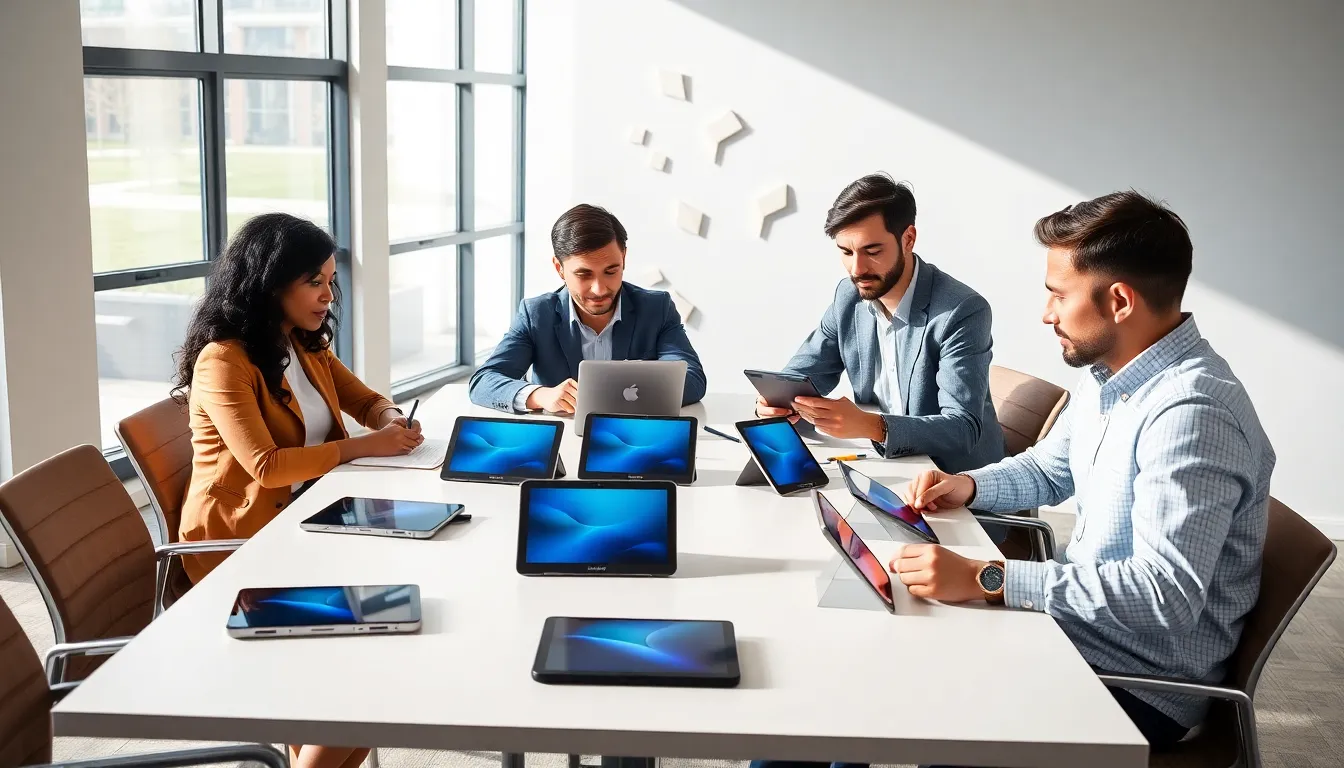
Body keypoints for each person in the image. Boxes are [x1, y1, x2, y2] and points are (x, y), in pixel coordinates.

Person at [892, 191, 1275, 755]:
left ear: (1119, 300)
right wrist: (969, 486)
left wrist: (987, 579)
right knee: (883, 660)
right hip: (1077, 634)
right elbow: (1051, 468)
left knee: (924, 703)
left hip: (1137, 685)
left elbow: (1164, 597)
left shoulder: (1191, 414)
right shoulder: (1110, 375)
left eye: (1057, 294)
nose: (1047, 314)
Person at [174, 213, 422, 768]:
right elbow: (267, 467)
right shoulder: (224, 360)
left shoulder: (303, 343)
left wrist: (388, 415)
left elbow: (362, 399)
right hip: (241, 546)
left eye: (331, 280)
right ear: (270, 281)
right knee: (363, 673)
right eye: (315, 281)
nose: (327, 294)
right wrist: (364, 447)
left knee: (379, 657)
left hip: (306, 522)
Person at [757, 173, 1003, 474]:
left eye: (872, 252)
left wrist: (871, 426)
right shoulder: (848, 297)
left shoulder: (960, 310)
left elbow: (962, 429)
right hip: (883, 467)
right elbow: (801, 376)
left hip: (952, 481)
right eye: (846, 252)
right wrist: (772, 404)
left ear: (908, 238)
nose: (857, 269)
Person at [469, 203, 707, 413]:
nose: (599, 289)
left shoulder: (657, 308)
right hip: (561, 441)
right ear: (559, 268)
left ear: (623, 258)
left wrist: (608, 394)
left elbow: (693, 380)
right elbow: (483, 382)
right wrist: (540, 395)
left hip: (638, 438)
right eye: (584, 274)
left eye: (611, 271)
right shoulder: (536, 314)